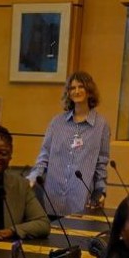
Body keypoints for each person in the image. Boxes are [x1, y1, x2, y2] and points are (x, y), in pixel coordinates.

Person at [30, 71, 112, 216]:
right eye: (72, 88)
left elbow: (101, 162)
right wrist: (33, 177)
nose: (77, 91)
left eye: (81, 87)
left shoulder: (101, 125)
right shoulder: (57, 122)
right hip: (52, 195)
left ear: (89, 91)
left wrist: (101, 190)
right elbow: (44, 155)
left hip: (81, 198)